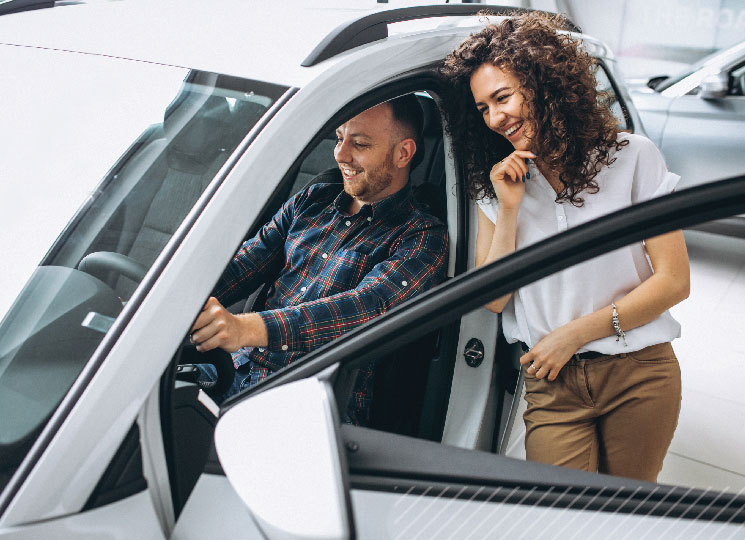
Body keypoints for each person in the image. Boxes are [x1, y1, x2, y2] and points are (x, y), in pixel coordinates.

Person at [441, 12, 690, 482]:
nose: (496, 118)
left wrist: (572, 334)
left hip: (639, 372)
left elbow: (674, 280)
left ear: (543, 84)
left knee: (628, 512)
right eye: (482, 109)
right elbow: (492, 298)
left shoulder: (632, 157)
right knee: (561, 519)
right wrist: (509, 208)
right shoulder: (496, 185)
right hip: (553, 387)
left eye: (503, 97)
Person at [189, 95, 449, 425]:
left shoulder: (422, 236)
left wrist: (246, 328)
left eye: (360, 143)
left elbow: (364, 310)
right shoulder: (315, 199)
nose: (340, 153)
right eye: (340, 138)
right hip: (234, 372)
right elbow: (244, 264)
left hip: (309, 407)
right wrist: (174, 299)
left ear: (403, 153)